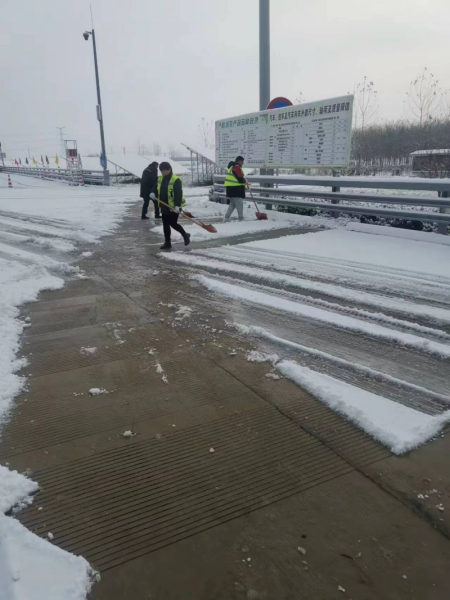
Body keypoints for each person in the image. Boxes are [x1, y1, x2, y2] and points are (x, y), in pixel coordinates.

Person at [150, 162, 190, 250]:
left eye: (164, 171)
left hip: (173, 206)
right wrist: (153, 192)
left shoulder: (176, 180)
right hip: (164, 205)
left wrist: (177, 205)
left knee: (173, 223)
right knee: (165, 224)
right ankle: (167, 242)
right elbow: (155, 187)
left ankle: (185, 234)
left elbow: (178, 194)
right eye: (161, 171)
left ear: (169, 169)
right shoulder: (160, 178)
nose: (163, 173)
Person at [224, 156, 246, 221]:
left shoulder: (231, 167)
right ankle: (241, 218)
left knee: (232, 204)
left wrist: (245, 184)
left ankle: (226, 217)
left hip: (230, 189)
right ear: (239, 161)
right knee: (239, 203)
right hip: (236, 189)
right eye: (242, 161)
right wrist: (245, 181)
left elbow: (236, 178)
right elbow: (240, 178)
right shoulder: (236, 167)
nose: (243, 163)